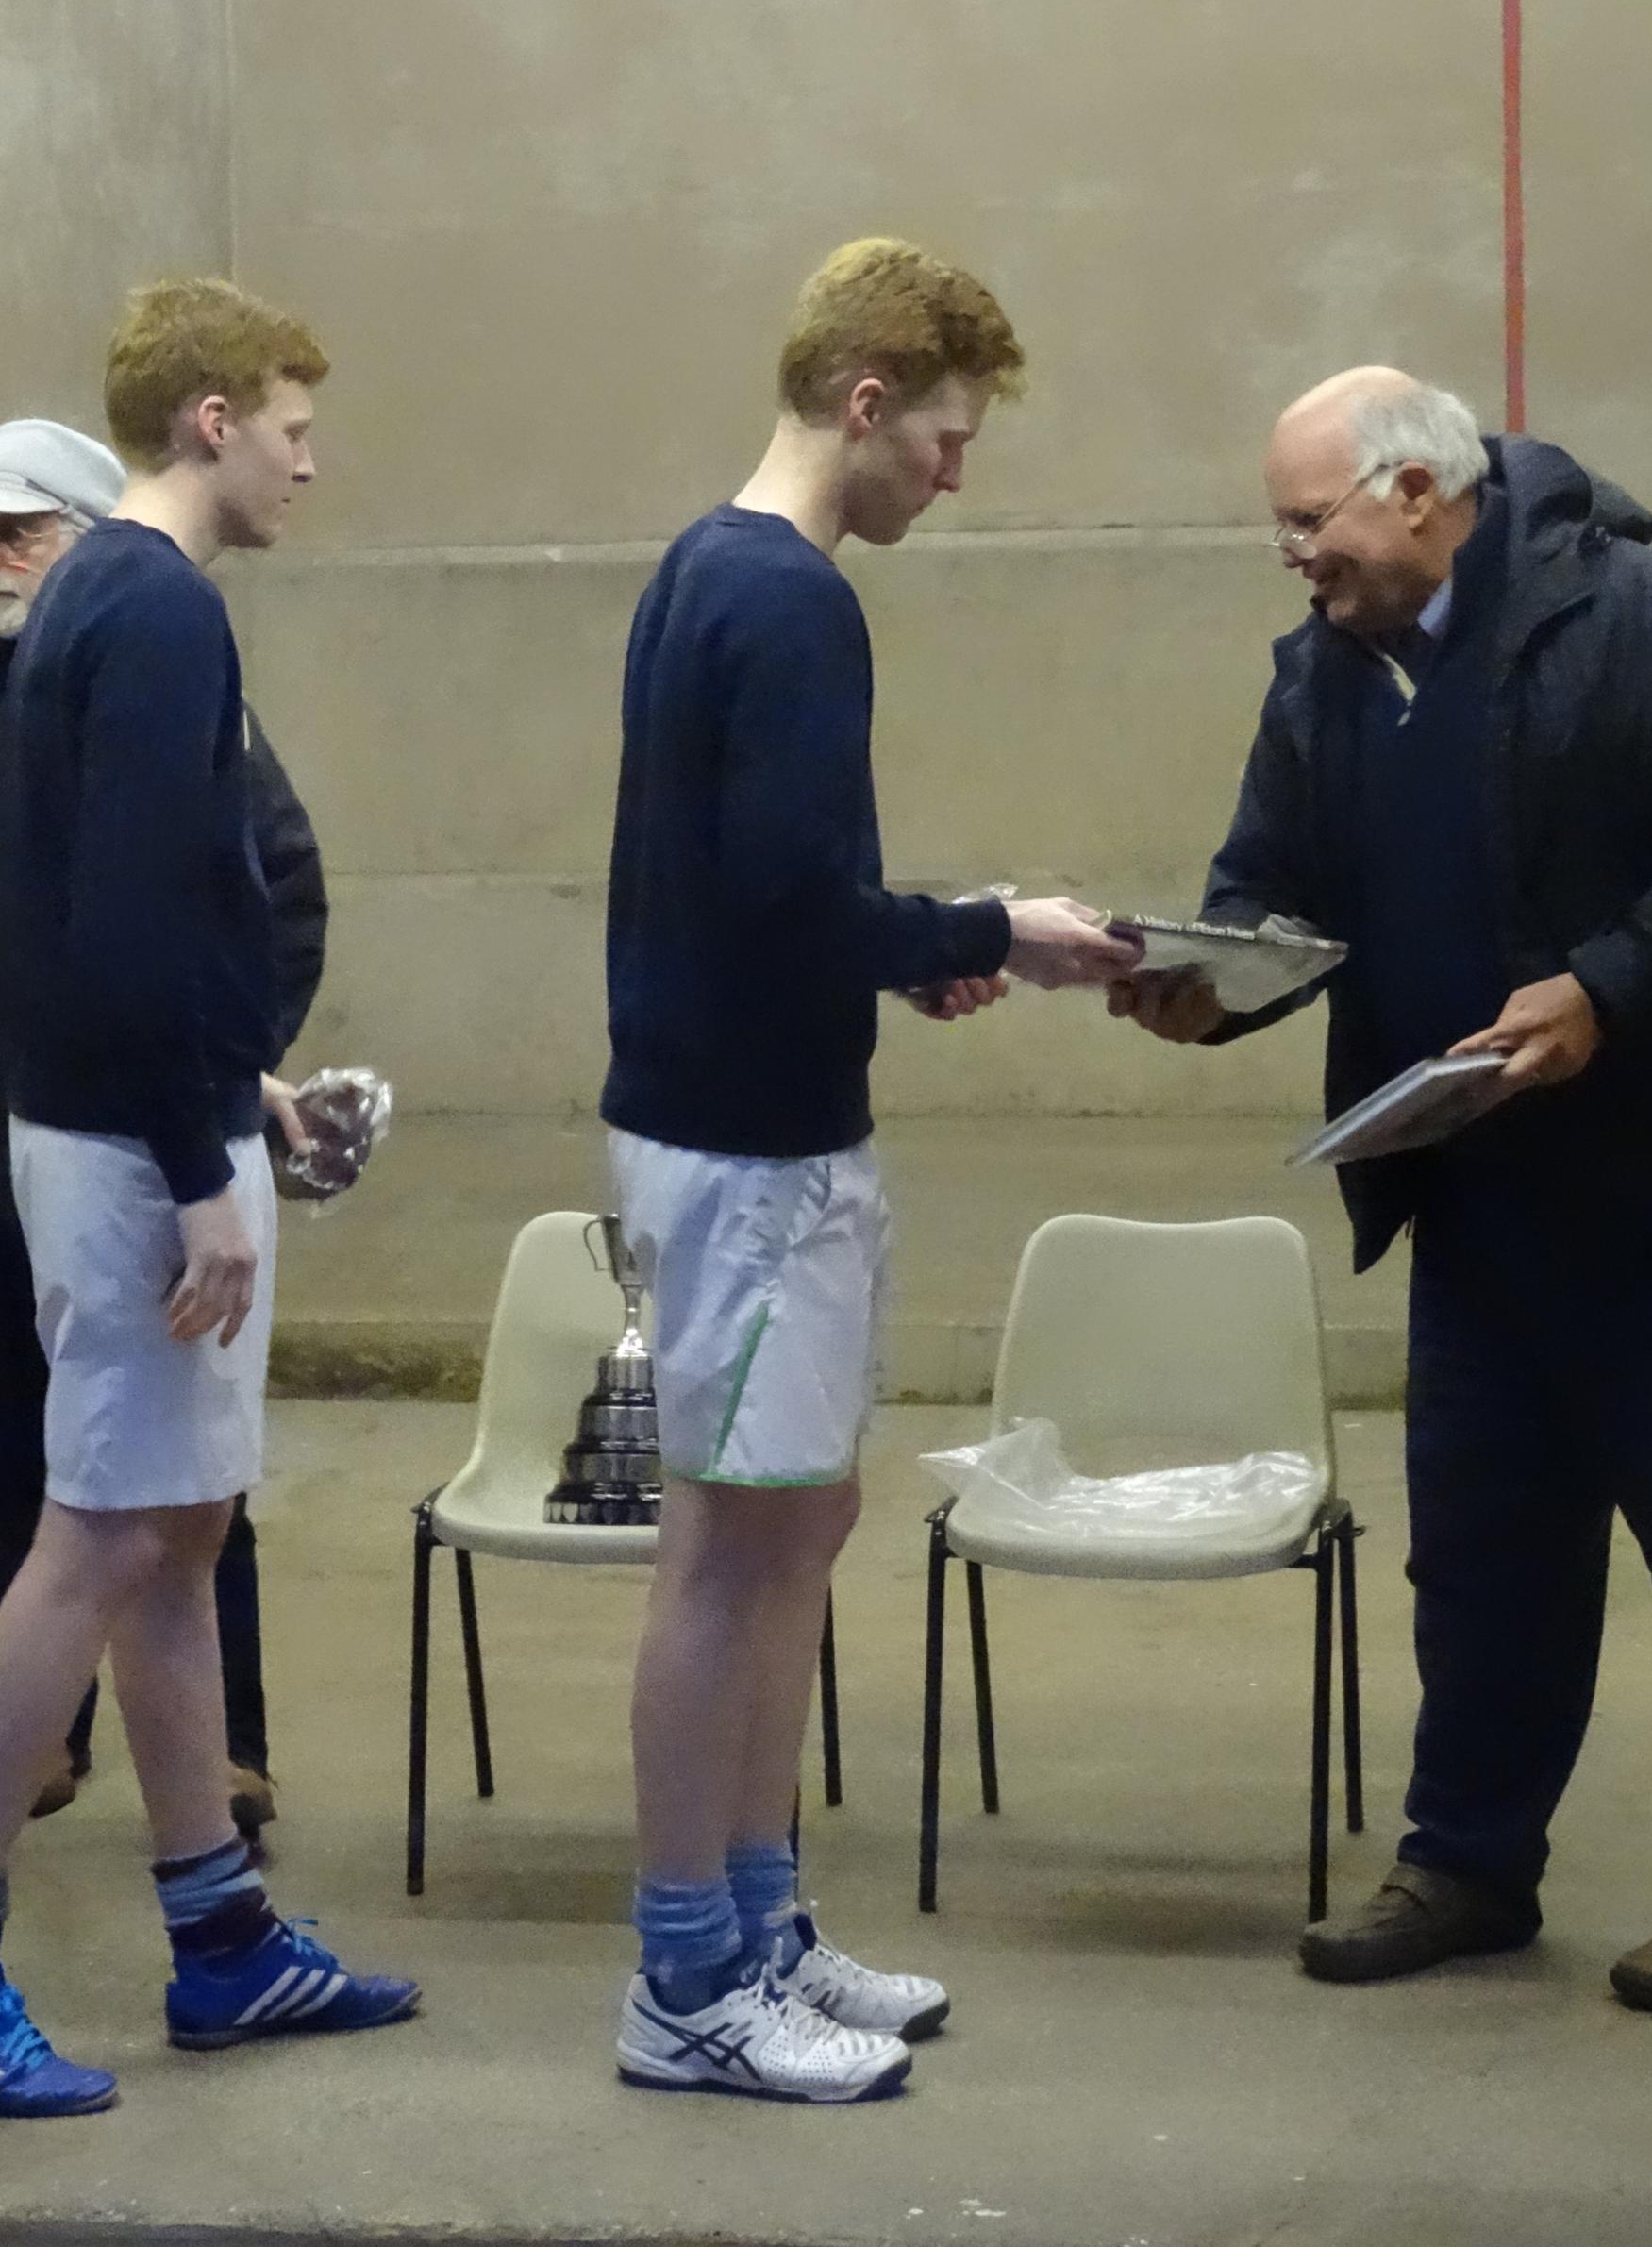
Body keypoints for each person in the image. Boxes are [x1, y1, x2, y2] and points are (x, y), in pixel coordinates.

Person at [1117, 367, 1652, 2012]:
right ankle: (1465, 1860)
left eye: (1306, 521)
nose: (1291, 557)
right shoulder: (1322, 677)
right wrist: (1215, 976)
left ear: (1409, 492)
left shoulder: (1638, 615)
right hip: (1479, 1201)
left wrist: (1606, 985)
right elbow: (1273, 884)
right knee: (1480, 1562)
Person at [0, 280, 417, 2117]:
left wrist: (234, 1087)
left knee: (174, 1531)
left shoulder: (100, 596)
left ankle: (223, 1935)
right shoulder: (156, 600)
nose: (308, 458)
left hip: (117, 1115)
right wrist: (205, 1167)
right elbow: (122, 918)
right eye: (290, 422)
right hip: (122, 1150)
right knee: (96, 1537)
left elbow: (125, 910)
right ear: (205, 422)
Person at [602, 239, 1141, 2103]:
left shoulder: (707, 570)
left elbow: (780, 905)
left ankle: (759, 1920)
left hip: (749, 1126)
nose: (953, 475)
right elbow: (781, 899)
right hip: (744, 1156)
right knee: (729, 1557)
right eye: (948, 436)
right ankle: (687, 1979)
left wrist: (915, 947)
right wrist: (1002, 921)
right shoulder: (790, 601)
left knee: (791, 1534)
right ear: (865, 405)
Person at [0, 414, 320, 1834]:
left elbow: (250, 899)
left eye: (17, 527)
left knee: (182, 1503)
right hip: (0, 1164)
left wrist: (229, 1082)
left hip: (143, 1141)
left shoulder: (152, 670)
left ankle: (218, 1785)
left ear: (88, 537)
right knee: (43, 1486)